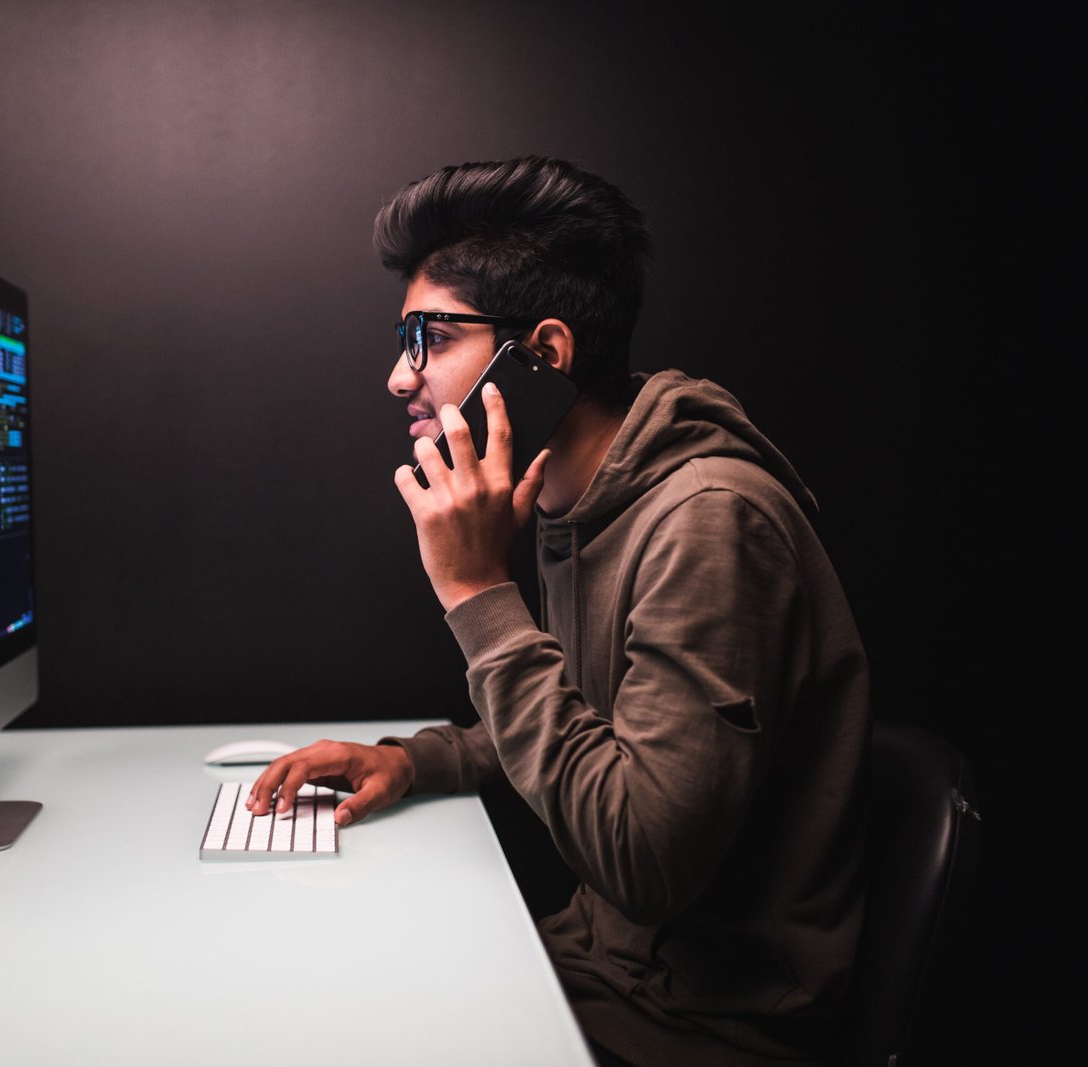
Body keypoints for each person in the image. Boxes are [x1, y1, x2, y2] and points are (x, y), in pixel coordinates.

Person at [248, 157, 869, 1066]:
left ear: (542, 352)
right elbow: (586, 718)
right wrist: (411, 761)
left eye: (429, 337)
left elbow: (644, 858)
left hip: (694, 1025)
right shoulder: (570, 502)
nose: (397, 376)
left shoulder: (711, 522)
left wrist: (475, 592)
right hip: (588, 967)